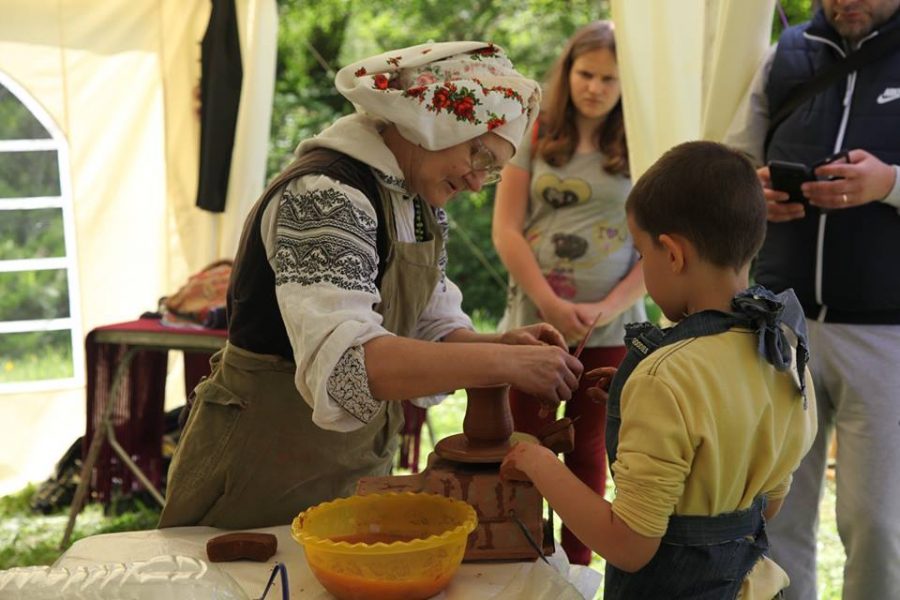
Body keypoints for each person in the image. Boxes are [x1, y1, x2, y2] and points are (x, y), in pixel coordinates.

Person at [158, 41, 584, 530]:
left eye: (492, 172)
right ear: (433, 120)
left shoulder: (415, 201)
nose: (476, 183)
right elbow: (350, 367)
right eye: (480, 155)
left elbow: (427, 324)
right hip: (260, 468)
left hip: (344, 462)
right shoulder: (323, 196)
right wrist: (504, 362)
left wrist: (501, 344)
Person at [501, 141, 818, 598]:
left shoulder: (664, 378)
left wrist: (540, 463)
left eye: (641, 253)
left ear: (672, 253)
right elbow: (763, 505)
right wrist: (638, 404)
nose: (643, 264)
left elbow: (629, 546)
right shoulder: (785, 356)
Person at [724, 1, 900, 597]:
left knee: (878, 523)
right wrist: (754, 191)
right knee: (777, 515)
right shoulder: (784, 55)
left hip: (886, 332)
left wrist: (890, 183)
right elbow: (733, 161)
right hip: (780, 325)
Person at [491, 20, 645, 566]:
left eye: (609, 78)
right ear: (567, 72)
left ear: (629, 82)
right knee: (520, 445)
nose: (596, 87)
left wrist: (606, 308)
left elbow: (659, 248)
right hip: (534, 321)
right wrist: (552, 306)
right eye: (586, 73)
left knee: (588, 452)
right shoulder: (535, 130)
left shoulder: (643, 139)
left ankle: (577, 570)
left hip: (611, 329)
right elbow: (506, 228)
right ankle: (518, 561)